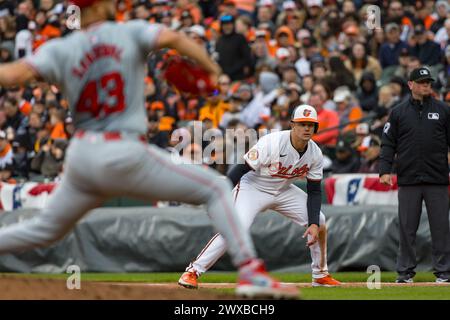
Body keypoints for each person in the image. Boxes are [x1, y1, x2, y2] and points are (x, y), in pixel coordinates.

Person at [0, 0, 298, 299]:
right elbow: (175, 39)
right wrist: (213, 71)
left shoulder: (60, 49)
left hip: (81, 157)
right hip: (123, 152)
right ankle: (250, 271)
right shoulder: (129, 32)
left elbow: (11, 76)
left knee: (45, 230)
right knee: (216, 187)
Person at [178, 104, 341, 289]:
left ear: (315, 128)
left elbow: (314, 191)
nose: (306, 128)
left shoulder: (315, 153)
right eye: (302, 124)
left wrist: (312, 223)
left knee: (319, 220)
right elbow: (240, 169)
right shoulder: (272, 143)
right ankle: (193, 271)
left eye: (310, 125)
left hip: (283, 190)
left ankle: (320, 274)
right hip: (253, 187)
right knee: (236, 227)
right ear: (292, 125)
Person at [379, 67, 450, 283]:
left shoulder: (444, 110)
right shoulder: (398, 112)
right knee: (407, 229)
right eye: (421, 82)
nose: (426, 85)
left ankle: (444, 273)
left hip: (437, 179)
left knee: (441, 228)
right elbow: (388, 143)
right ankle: (405, 273)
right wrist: (384, 170)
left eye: (428, 81)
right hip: (409, 179)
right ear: (410, 85)